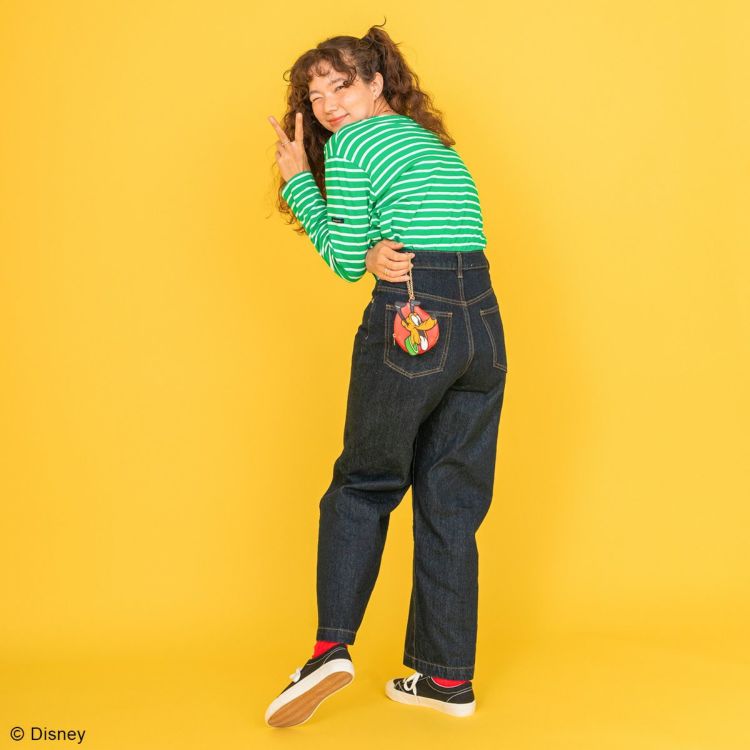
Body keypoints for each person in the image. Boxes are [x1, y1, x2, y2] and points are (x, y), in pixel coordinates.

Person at [264, 22, 508, 727]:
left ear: (377, 84)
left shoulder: (352, 145)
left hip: (415, 316)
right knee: (451, 502)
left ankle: (329, 649)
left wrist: (298, 180)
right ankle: (445, 678)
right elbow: (417, 230)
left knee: (365, 482)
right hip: (482, 323)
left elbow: (345, 259)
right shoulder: (428, 143)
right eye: (315, 98)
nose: (329, 107)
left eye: (342, 86)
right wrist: (375, 248)